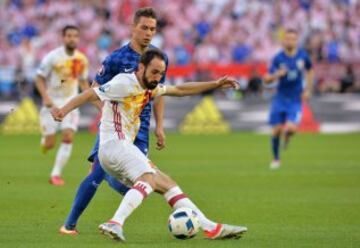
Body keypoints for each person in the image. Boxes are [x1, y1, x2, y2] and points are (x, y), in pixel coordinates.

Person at [52, 48, 247, 241]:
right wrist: (63, 110)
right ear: (141, 67)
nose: (157, 77)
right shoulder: (123, 82)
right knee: (148, 179)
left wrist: (215, 84)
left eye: (161, 73)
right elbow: (89, 94)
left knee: (167, 184)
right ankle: (115, 222)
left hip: (120, 149)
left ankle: (210, 227)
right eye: (154, 72)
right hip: (114, 146)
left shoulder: (149, 87)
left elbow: (179, 89)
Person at [59, 7, 167, 235]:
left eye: (152, 29)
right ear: (133, 27)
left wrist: (160, 127)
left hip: (140, 130)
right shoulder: (117, 59)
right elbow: (94, 90)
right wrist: (108, 113)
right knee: (96, 174)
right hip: (115, 129)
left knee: (137, 184)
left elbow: (159, 94)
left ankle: (111, 186)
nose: (148, 33)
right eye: (144, 28)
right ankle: (69, 225)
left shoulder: (158, 59)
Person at [35, 25, 90, 185]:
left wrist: (94, 100)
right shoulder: (52, 57)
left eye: (75, 36)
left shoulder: (82, 59)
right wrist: (45, 98)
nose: (72, 38)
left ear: (78, 39)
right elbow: (39, 78)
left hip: (71, 103)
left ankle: (55, 175)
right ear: (63, 38)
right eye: (69, 36)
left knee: (68, 136)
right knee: (50, 143)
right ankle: (45, 143)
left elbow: (84, 83)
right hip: (51, 104)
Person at [264, 28, 314, 170]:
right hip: (280, 98)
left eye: (293, 38)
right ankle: (276, 158)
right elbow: (266, 79)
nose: (290, 41)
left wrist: (308, 89)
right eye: (288, 38)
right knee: (277, 130)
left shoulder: (303, 56)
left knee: (291, 129)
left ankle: (288, 136)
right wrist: (276, 75)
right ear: (283, 40)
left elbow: (310, 70)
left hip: (295, 99)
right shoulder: (278, 58)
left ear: (297, 41)